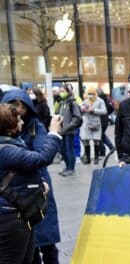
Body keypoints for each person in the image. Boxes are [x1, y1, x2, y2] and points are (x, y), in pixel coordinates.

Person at [2, 90, 62, 264]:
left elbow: (41, 157)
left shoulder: (35, 126)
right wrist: (54, 134)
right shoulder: (6, 144)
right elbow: (41, 156)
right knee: (27, 246)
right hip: (14, 194)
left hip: (38, 186)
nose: (17, 111)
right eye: (12, 105)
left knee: (47, 241)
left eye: (19, 104)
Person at [55, 84, 82, 176]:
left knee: (69, 149)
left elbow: (77, 118)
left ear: (68, 91)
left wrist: (68, 126)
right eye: (60, 91)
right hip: (61, 131)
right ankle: (67, 167)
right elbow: (57, 113)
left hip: (69, 131)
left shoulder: (72, 103)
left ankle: (71, 168)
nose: (61, 92)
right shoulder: (62, 102)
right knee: (62, 150)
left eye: (63, 91)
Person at [80, 87, 107, 165]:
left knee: (96, 141)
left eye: (91, 94)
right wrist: (83, 109)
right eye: (88, 94)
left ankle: (96, 158)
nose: (90, 95)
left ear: (95, 94)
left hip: (96, 124)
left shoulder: (100, 101)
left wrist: (94, 110)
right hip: (87, 124)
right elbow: (81, 109)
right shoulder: (85, 101)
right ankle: (88, 158)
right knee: (86, 141)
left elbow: (104, 111)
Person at [98, 88, 115, 156]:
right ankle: (108, 148)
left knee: (100, 135)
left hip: (101, 121)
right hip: (105, 120)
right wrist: (107, 113)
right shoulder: (105, 100)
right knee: (101, 135)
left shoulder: (99, 101)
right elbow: (111, 108)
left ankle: (106, 149)